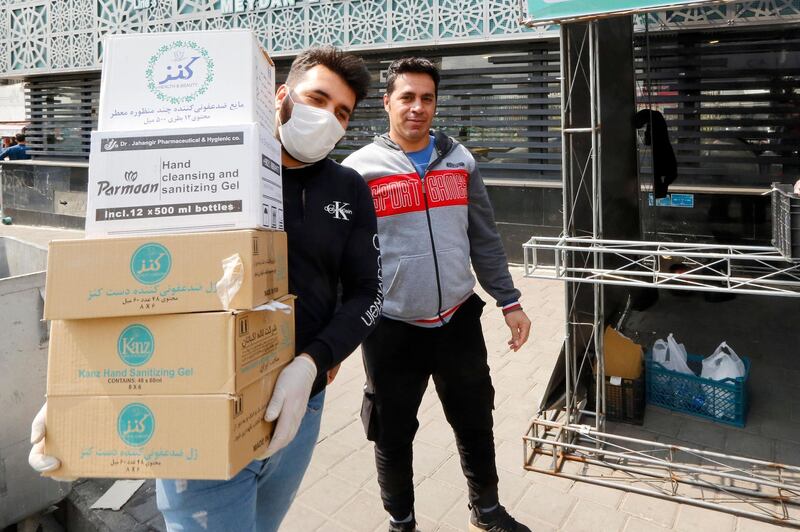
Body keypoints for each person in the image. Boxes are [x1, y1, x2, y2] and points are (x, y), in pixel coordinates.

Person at [29, 46, 382, 532]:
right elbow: (131, 278)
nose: (327, 118)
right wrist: (80, 389)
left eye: (341, 112)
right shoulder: (210, 165)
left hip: (299, 408)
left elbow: (370, 294)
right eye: (316, 99)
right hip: (199, 402)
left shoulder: (349, 188)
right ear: (282, 96)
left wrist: (312, 362)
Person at [343, 57, 532, 532]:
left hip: (458, 321)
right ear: (387, 102)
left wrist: (509, 302)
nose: (417, 108)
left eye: (427, 98)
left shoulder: (460, 160)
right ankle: (401, 522)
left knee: (474, 419)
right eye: (407, 97)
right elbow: (341, 258)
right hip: (391, 327)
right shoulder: (358, 171)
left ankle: (486, 511)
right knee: (391, 431)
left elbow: (484, 237)